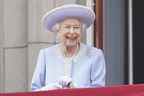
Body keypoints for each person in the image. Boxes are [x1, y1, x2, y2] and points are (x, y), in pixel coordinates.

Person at [31, 4, 106, 91]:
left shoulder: (95, 55)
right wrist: (46, 90)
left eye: (76, 27)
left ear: (81, 31)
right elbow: (35, 90)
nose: (72, 32)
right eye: (67, 27)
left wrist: (76, 90)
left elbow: (99, 91)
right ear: (58, 30)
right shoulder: (45, 55)